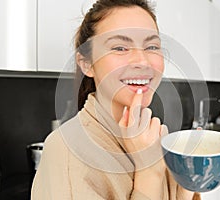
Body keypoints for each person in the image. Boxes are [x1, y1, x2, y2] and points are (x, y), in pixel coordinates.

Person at [31, 0, 201, 199]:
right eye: (120, 48)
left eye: (152, 46)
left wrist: (186, 187)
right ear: (87, 64)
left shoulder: (153, 136)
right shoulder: (65, 152)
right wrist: (149, 173)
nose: (142, 61)